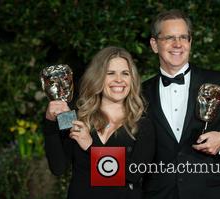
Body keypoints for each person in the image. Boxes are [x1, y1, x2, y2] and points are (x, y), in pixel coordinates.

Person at [142, 9, 220, 199]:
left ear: (190, 42)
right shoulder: (140, 92)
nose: (177, 44)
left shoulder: (219, 83)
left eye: (183, 37)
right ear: (154, 44)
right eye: (169, 38)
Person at [43, 46, 155, 199]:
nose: (119, 80)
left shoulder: (143, 124)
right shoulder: (75, 116)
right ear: (98, 77)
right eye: (110, 73)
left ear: (132, 79)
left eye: (125, 73)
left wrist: (91, 146)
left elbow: (133, 174)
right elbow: (58, 168)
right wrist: (50, 122)